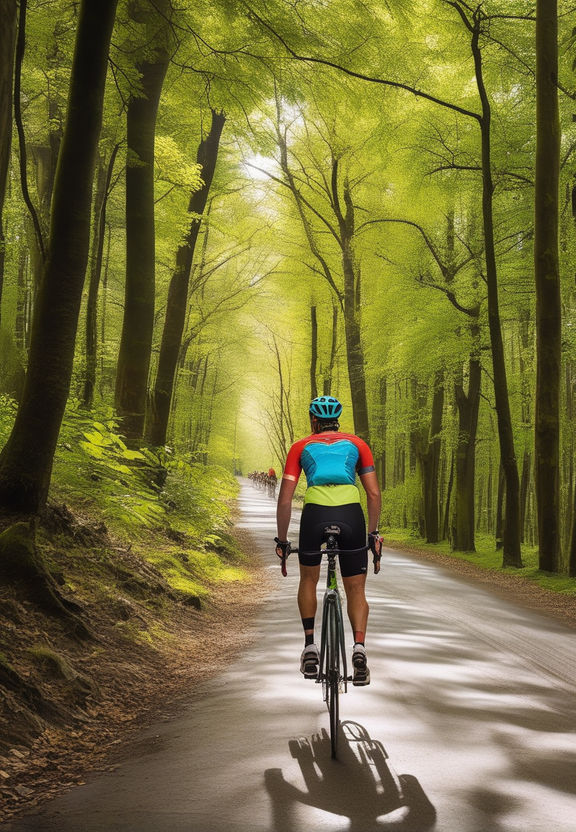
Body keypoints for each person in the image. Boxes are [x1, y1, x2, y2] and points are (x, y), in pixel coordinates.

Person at [274, 396, 383, 686]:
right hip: (351, 514)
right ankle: (359, 648)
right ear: (338, 419)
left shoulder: (300, 447)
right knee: (356, 588)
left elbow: (285, 500)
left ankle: (310, 646)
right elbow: (373, 494)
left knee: (308, 580)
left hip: (314, 515)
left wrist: (282, 540)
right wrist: (372, 534)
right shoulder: (358, 445)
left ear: (313, 420)